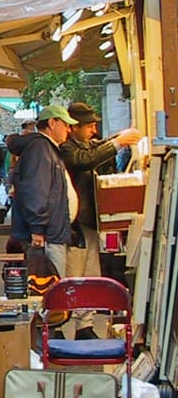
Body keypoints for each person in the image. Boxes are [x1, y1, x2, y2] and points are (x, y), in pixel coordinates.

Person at [60, 102, 141, 339]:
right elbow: (84, 159)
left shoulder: (81, 144)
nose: (93, 131)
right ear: (74, 127)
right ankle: (68, 323)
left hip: (88, 220)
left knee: (90, 272)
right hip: (77, 222)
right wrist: (118, 142)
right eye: (89, 126)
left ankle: (84, 324)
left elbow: (95, 147)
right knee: (76, 273)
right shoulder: (67, 148)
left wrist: (119, 137)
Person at [6, 106, 78, 289]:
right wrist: (38, 229)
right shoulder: (40, 148)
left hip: (53, 232)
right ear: (52, 123)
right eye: (66, 124)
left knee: (53, 289)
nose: (69, 130)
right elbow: (36, 190)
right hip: (47, 235)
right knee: (49, 291)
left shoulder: (47, 148)